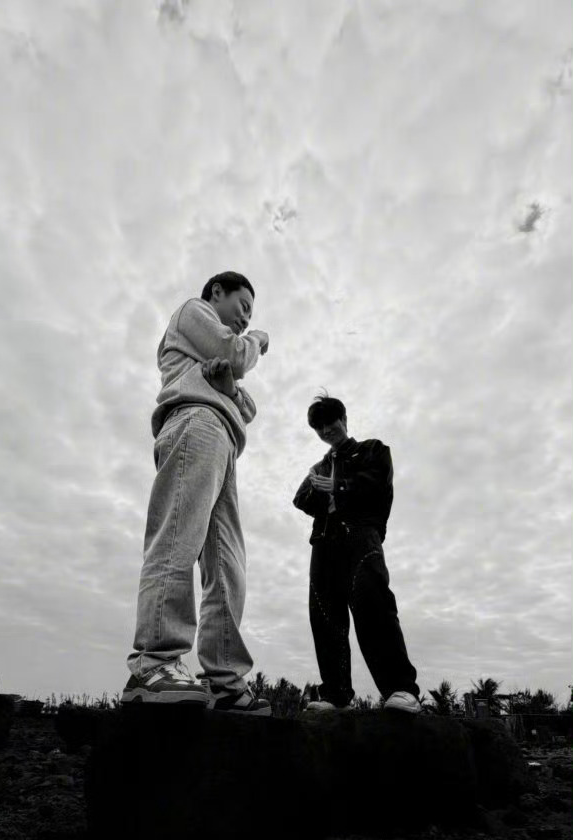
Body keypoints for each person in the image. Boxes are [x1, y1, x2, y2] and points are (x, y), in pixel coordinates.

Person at [123, 271, 271, 714]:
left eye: (252, 314)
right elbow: (236, 354)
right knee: (178, 538)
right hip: (194, 423)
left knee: (227, 564)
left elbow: (246, 407)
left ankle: (224, 680)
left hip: (223, 441)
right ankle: (153, 662)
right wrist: (258, 340)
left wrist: (228, 387)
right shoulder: (194, 311)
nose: (246, 317)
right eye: (243, 305)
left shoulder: (208, 348)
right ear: (216, 293)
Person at [293, 394, 421, 714]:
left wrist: (337, 487)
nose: (325, 430)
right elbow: (301, 498)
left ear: (344, 420)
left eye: (330, 423)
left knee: (372, 603)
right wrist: (327, 494)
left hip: (362, 537)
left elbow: (378, 484)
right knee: (324, 615)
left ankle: (401, 690)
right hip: (324, 543)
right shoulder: (319, 465)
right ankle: (336, 695)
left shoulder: (373, 450)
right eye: (319, 427)